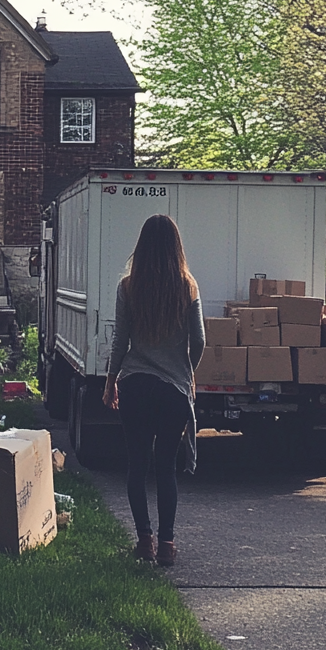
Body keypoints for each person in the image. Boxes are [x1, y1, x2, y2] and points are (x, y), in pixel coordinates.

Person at [103, 213, 204, 568]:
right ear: (176, 247)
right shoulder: (188, 286)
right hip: (173, 389)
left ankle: (143, 540)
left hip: (136, 384)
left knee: (137, 464)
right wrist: (187, 370)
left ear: (142, 247)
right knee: (166, 469)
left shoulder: (128, 286)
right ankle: (167, 544)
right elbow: (200, 339)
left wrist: (110, 381)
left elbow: (120, 341)